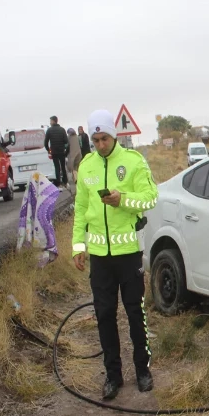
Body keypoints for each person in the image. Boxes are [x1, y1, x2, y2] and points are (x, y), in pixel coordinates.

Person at [72, 109, 158, 400]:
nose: (99, 145)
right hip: (100, 257)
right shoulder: (86, 166)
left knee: (135, 313)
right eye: (95, 140)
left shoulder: (133, 162)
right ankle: (113, 376)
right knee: (105, 315)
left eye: (104, 138)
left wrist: (123, 200)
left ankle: (143, 371)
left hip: (128, 253)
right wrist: (78, 247)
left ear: (114, 135)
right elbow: (81, 209)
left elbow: (151, 199)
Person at [44, 115, 69, 188]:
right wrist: (65, 150)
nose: (50, 122)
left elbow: (45, 142)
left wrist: (48, 150)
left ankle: (58, 183)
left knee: (57, 167)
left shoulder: (49, 130)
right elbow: (66, 141)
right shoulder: (62, 129)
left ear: (53, 121)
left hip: (54, 152)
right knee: (63, 167)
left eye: (50, 121)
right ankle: (65, 181)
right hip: (61, 151)